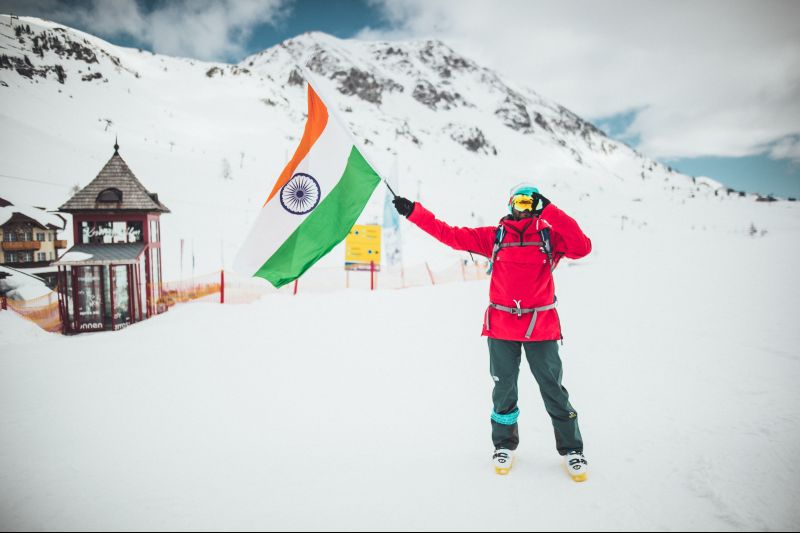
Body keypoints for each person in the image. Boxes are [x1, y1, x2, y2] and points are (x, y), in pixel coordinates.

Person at [393, 184, 592, 481]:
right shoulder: (495, 236)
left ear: (536, 205)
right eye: (518, 201)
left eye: (529, 202)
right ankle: (504, 445)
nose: (522, 207)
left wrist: (550, 210)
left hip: (541, 327)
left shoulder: (550, 236)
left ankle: (573, 449)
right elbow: (450, 235)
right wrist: (414, 213)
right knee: (504, 389)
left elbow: (582, 247)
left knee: (553, 389)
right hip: (501, 326)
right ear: (509, 204)